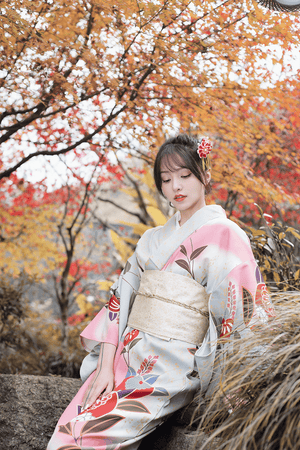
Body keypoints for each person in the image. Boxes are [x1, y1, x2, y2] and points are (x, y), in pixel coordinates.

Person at [47, 134, 275, 450]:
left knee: (85, 436)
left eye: (185, 176)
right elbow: (120, 299)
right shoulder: (152, 239)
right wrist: (104, 368)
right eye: (166, 180)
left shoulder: (226, 234)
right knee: (70, 430)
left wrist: (236, 382)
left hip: (173, 363)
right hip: (127, 355)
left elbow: (240, 307)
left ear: (205, 176)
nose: (175, 187)